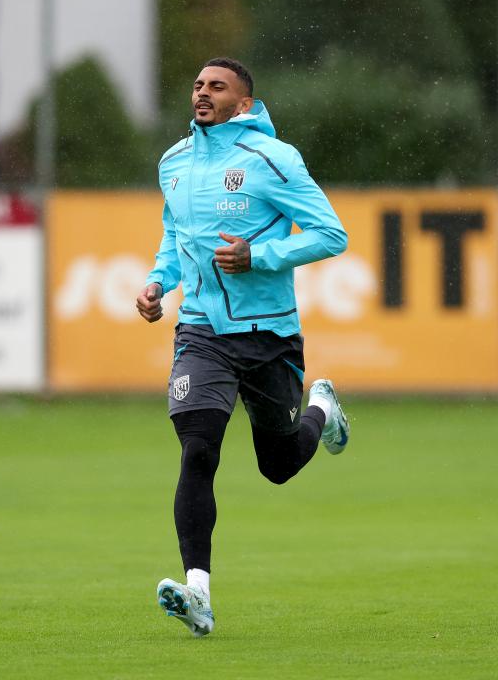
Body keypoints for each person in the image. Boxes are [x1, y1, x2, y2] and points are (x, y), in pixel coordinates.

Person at [136, 57, 350, 637]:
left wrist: (261, 256)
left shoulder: (273, 160)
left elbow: (333, 234)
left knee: (277, 465)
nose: (202, 92)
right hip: (201, 331)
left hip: (269, 337)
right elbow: (174, 236)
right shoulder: (174, 163)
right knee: (198, 448)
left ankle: (322, 411)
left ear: (244, 103)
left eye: (217, 86)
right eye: (198, 83)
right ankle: (197, 592)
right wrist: (160, 282)